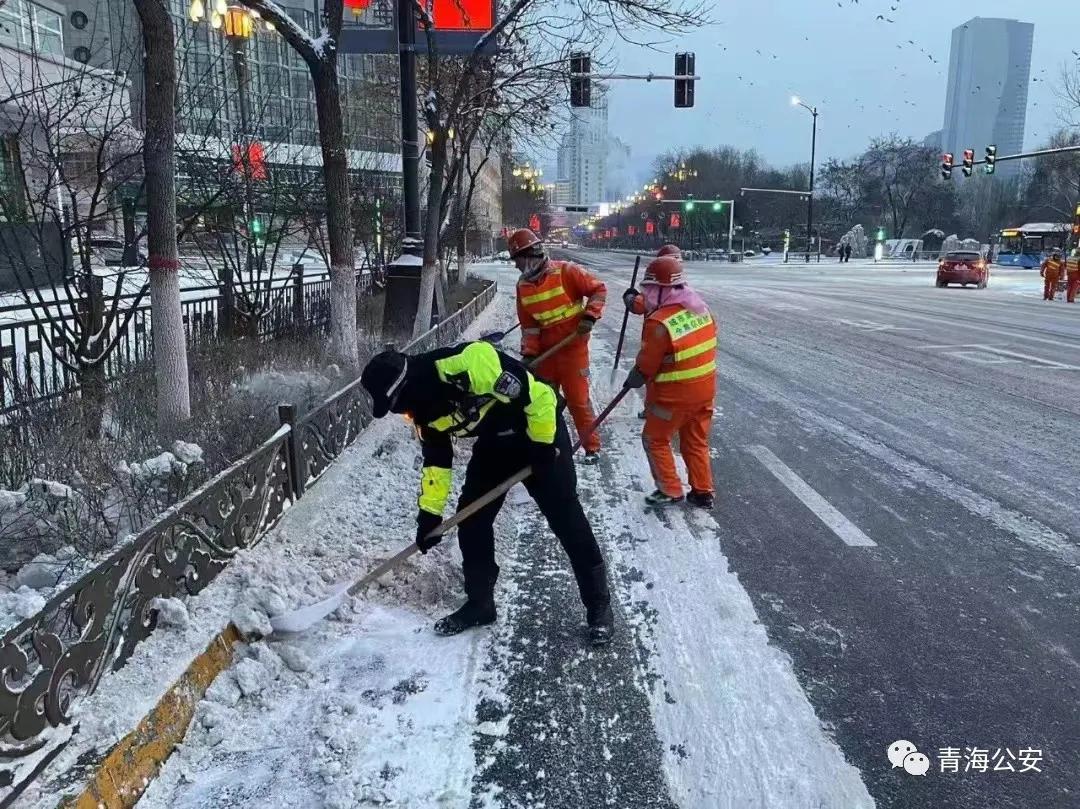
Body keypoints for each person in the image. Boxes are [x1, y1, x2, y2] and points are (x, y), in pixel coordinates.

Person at [360, 341, 615, 646]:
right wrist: (429, 516)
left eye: (399, 405)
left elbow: (538, 399)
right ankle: (480, 604)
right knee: (472, 522)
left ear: (408, 387)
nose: (404, 414)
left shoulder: (470, 363)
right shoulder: (423, 412)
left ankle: (598, 605)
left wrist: (544, 446)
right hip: (494, 444)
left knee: (566, 518)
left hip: (537, 430)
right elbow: (437, 462)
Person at [621, 255, 718, 508]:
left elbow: (648, 364)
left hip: (673, 397)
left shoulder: (659, 322)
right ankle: (702, 491)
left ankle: (670, 489)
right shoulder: (701, 309)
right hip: (705, 390)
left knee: (654, 439)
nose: (649, 296)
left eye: (651, 290)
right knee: (695, 440)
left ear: (663, 290)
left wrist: (636, 377)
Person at [509, 228, 606, 462]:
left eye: (518, 261)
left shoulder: (566, 271)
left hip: (573, 349)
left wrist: (589, 316)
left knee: (578, 402)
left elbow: (598, 289)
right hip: (546, 354)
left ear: (530, 255)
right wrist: (530, 354)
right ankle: (546, 447)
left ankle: (591, 448)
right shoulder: (523, 287)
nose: (516, 267)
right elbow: (529, 326)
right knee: (543, 403)